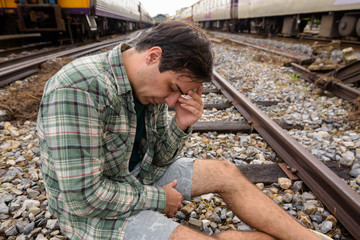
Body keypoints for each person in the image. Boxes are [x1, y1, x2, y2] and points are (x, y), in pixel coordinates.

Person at [37, 20, 322, 240]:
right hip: (92, 215)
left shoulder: (149, 87)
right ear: (153, 56)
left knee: (226, 172)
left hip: (137, 179)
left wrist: (181, 123)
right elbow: (83, 198)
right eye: (174, 89)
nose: (172, 101)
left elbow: (159, 160)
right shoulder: (79, 87)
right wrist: (160, 199)